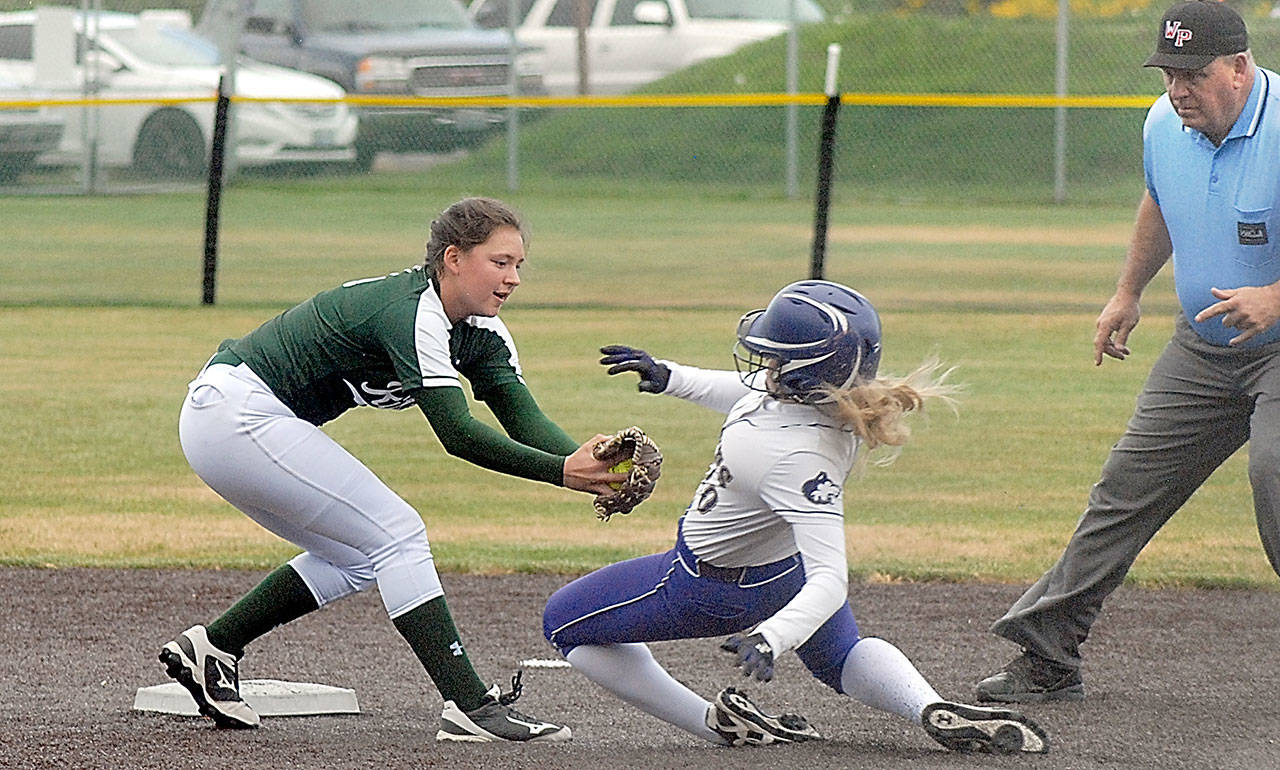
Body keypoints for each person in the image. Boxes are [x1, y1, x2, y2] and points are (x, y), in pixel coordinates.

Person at [160, 197, 627, 742]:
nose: (514, 278)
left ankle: (214, 647)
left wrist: (586, 464)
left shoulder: (482, 332)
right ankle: (470, 706)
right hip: (236, 413)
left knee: (360, 556)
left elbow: (522, 418)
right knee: (399, 533)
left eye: (518, 265)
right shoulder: (414, 312)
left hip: (236, 420)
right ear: (454, 258)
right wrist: (563, 473)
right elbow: (457, 435)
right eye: (500, 262)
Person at [541, 280, 1049, 754]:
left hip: (709, 587)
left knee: (564, 623)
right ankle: (926, 706)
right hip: (787, 574)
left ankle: (714, 725)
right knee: (841, 658)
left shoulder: (786, 452)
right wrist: (670, 376)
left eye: (777, 357)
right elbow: (751, 396)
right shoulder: (836, 407)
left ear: (806, 372)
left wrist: (772, 637)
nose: (765, 364)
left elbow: (832, 579)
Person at [975, 0, 1280, 704]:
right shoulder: (1164, 123)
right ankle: (1048, 656)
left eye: (1193, 74)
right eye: (1169, 73)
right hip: (1203, 348)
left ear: (1238, 67)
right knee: (1123, 492)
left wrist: (1274, 297)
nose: (1177, 89)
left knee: (1275, 474)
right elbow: (1159, 202)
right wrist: (1127, 292)